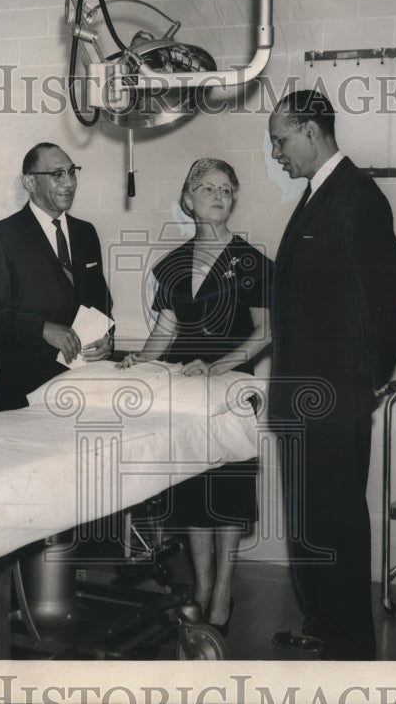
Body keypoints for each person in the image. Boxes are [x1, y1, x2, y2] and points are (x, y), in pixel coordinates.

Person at [267, 90, 396, 660]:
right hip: (304, 398)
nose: (277, 153)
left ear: (309, 130)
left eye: (280, 140)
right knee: (309, 524)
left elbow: (387, 299)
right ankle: (321, 624)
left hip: (334, 399)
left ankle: (351, 645)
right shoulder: (317, 195)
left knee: (337, 525)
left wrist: (369, 381)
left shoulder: (355, 197)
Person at [117, 157, 273, 634]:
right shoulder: (172, 265)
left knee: (227, 495)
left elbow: (267, 332)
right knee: (193, 494)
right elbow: (165, 333)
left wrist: (220, 364)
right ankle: (201, 587)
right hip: (185, 398)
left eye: (227, 188)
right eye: (207, 187)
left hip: (229, 396)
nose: (218, 195)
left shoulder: (253, 262)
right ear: (188, 199)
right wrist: (137, 362)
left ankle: (223, 592)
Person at [0, 142, 113, 412]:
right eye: (58, 174)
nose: (69, 183)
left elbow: (101, 300)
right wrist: (42, 328)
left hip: (87, 390)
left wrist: (106, 337)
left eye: (72, 172)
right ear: (30, 182)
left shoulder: (86, 233)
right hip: (26, 398)